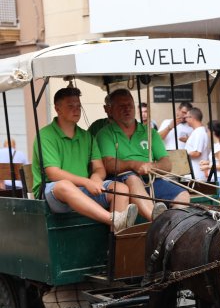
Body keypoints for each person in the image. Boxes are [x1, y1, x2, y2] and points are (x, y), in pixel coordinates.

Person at [32, 87, 137, 232]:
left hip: (82, 190)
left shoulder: (87, 136)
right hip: (52, 193)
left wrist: (95, 179)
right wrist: (86, 182)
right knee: (64, 185)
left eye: (78, 106)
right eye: (70, 106)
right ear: (57, 109)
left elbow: (99, 168)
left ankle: (116, 245)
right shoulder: (45, 135)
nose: (76, 110)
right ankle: (113, 219)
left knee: (121, 188)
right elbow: (53, 174)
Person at [96, 89, 186, 220]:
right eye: (121, 106)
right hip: (121, 182)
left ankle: (175, 228)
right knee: (132, 178)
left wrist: (152, 166)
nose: (127, 109)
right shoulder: (105, 134)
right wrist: (133, 164)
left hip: (150, 180)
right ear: (109, 110)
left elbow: (167, 165)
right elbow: (109, 164)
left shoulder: (150, 133)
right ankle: (157, 221)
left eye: (130, 105)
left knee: (183, 195)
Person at [199, 120, 220, 200]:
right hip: (219, 177)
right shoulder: (217, 146)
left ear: (212, 132)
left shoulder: (218, 147)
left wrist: (208, 166)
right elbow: (218, 161)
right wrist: (207, 162)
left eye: (207, 130)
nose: (206, 133)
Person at [183, 107, 211, 180]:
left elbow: (197, 153)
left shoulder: (199, 132)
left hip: (197, 174)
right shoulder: (198, 131)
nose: (185, 120)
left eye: (186, 117)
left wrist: (181, 155)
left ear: (192, 118)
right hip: (195, 174)